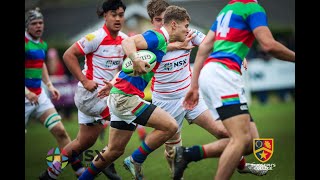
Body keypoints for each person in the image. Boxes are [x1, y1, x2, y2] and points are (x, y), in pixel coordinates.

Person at [172, 0, 295, 179]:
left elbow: (206, 45)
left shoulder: (227, 10)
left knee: (251, 142)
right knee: (240, 140)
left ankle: (189, 153)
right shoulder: (253, 8)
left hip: (216, 73)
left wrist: (195, 84)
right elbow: (268, 45)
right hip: (223, 75)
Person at [146, 0, 264, 178]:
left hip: (189, 95)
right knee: (173, 151)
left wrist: (236, 54)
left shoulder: (188, 33)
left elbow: (213, 43)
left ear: (173, 21)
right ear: (151, 21)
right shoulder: (149, 41)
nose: (163, 24)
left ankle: (242, 165)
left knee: (223, 132)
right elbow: (137, 53)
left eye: (165, 19)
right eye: (157, 20)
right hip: (165, 102)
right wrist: (174, 45)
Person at [78, 5, 191, 180]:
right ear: (174, 25)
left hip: (120, 95)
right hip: (125, 98)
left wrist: (115, 83)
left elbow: (157, 50)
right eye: (186, 26)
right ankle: (135, 160)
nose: (188, 30)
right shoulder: (157, 36)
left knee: (113, 151)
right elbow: (127, 42)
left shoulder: (162, 41)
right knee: (170, 126)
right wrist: (135, 58)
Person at [38, 0, 128, 179]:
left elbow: (126, 65)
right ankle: (106, 162)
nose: (118, 18)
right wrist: (85, 80)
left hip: (102, 96)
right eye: (113, 14)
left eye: (121, 15)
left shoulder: (125, 40)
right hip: (90, 95)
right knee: (127, 118)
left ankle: (49, 174)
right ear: (105, 15)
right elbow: (68, 54)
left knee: (82, 142)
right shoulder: (95, 37)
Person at [24, 6, 76, 178]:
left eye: (41, 22)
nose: (39, 26)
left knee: (60, 131)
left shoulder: (42, 44)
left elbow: (42, 64)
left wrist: (49, 84)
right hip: (26, 96)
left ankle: (79, 170)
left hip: (38, 96)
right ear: (27, 26)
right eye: (34, 23)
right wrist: (26, 92)